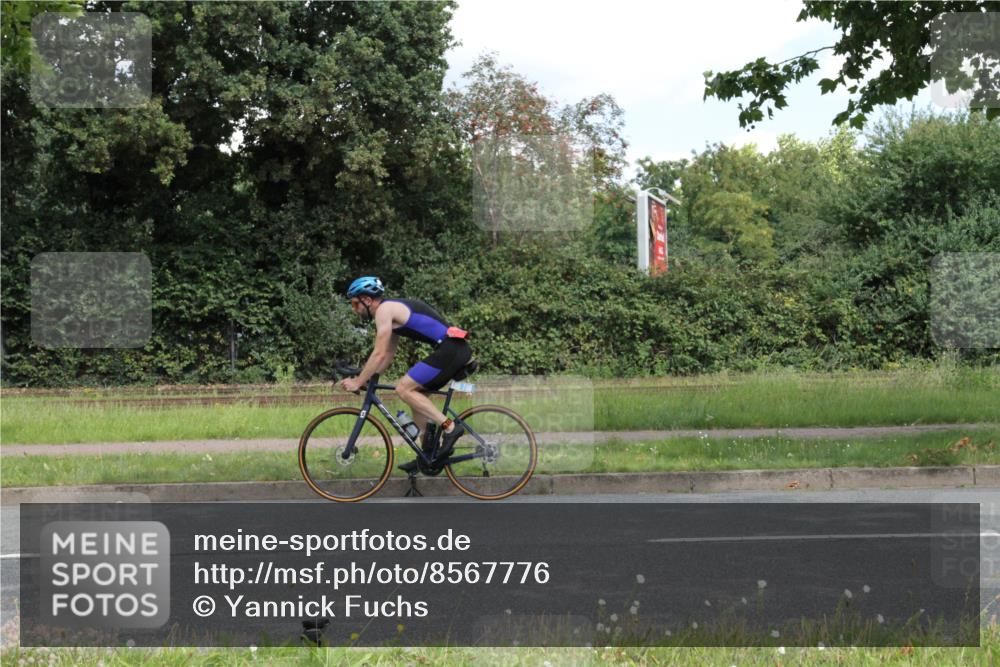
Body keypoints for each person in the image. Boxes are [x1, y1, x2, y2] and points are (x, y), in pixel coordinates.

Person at [339, 276, 472, 472]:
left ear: (367, 300)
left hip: (451, 350)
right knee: (415, 395)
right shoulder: (390, 311)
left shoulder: (384, 311)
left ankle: (451, 428)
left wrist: (358, 381)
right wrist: (371, 380)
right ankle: (427, 455)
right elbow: (388, 354)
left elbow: (378, 353)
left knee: (404, 389)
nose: (354, 309)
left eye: (355, 303)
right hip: (452, 349)